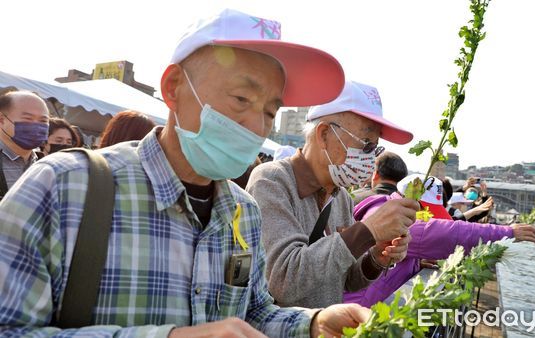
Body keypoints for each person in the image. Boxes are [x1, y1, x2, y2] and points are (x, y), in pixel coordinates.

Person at [0, 9, 370, 337]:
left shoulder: (245, 213)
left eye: (270, 112)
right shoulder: (64, 187)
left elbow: (253, 312)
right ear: (174, 88)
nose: (256, 126)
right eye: (241, 99)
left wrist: (312, 323)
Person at [246, 80, 419, 308]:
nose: (370, 158)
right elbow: (283, 280)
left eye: (375, 149)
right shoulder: (272, 181)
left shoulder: (342, 197)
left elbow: (347, 279)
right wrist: (367, 231)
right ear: (324, 134)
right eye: (365, 144)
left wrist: (377, 257)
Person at [344, 174, 535, 307]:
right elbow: (447, 234)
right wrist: (507, 233)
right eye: (427, 211)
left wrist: (414, 261)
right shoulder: (397, 219)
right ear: (411, 200)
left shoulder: (388, 209)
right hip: (357, 311)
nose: (429, 218)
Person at [0, 90, 49, 200]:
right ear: (2, 120)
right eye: (28, 119)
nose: (36, 126)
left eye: (43, 121)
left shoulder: (47, 165)